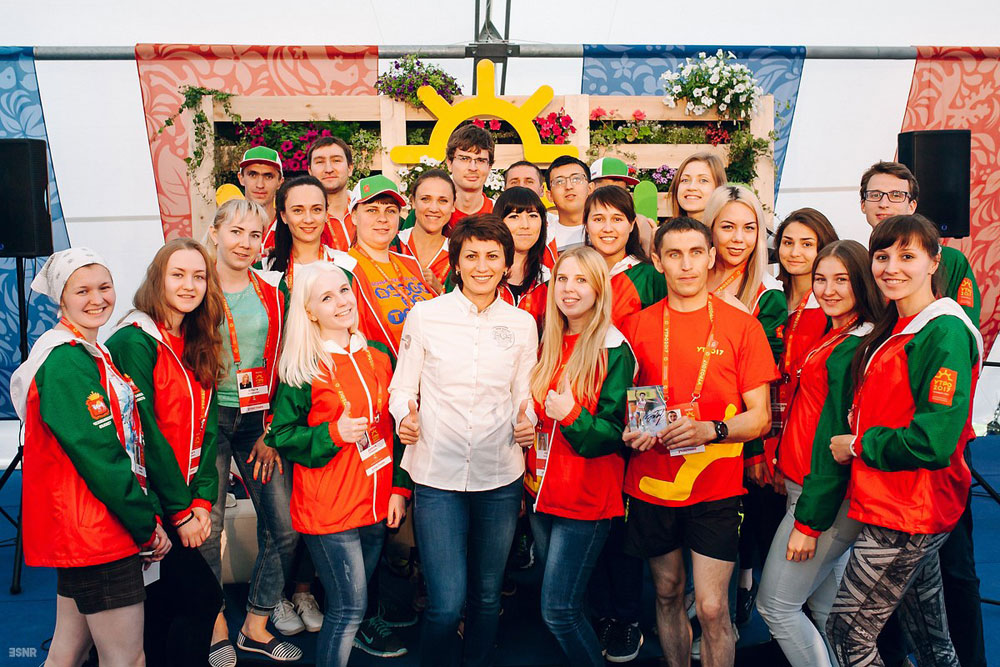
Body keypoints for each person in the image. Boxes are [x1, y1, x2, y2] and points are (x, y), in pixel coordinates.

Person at [827, 214, 982, 667]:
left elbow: (933, 440)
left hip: (909, 507)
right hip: (896, 501)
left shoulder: (944, 330)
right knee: (931, 640)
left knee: (847, 637)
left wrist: (858, 445)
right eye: (882, 256)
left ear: (935, 262)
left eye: (907, 256)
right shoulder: (900, 324)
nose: (891, 267)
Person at [621, 217, 777, 667]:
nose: (686, 265)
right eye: (674, 254)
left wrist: (711, 430)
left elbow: (761, 418)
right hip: (652, 482)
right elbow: (621, 403)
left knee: (711, 608)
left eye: (695, 253)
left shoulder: (742, 326)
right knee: (668, 592)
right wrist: (630, 430)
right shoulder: (634, 326)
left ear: (711, 257)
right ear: (658, 261)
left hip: (716, 488)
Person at [389, 215, 539, 667]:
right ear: (456, 263)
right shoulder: (426, 315)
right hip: (437, 475)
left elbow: (525, 394)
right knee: (446, 603)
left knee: (488, 596)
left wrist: (528, 421)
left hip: (500, 475)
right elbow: (402, 387)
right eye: (471, 256)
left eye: (492, 256)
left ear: (507, 264)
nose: (482, 266)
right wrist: (405, 416)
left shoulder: (522, 323)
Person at [10, 248, 170, 667]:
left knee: (67, 653)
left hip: (87, 527)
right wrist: (145, 522)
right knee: (127, 659)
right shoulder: (66, 361)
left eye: (104, 287)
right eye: (82, 291)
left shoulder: (85, 350)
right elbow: (100, 457)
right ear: (61, 299)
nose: (97, 299)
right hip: (97, 531)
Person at [266, 261, 412, 667]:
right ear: (309, 311)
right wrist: (333, 433)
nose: (341, 302)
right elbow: (282, 435)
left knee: (353, 607)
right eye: (326, 298)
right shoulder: (303, 368)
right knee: (349, 609)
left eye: (344, 291)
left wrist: (399, 488)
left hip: (376, 505)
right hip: (330, 510)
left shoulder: (379, 355)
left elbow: (395, 430)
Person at [756, 240, 884, 666]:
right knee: (828, 611)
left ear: (861, 283)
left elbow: (835, 440)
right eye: (821, 279)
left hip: (822, 501)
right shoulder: (839, 334)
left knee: (776, 608)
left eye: (841, 280)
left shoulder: (854, 345)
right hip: (810, 490)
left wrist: (809, 524)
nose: (828, 290)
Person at [106, 239, 225, 667]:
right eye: (178, 275)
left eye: (199, 276)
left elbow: (208, 426)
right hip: (151, 503)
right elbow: (144, 436)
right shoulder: (134, 341)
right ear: (158, 278)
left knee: (161, 610)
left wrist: (202, 499)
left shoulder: (196, 336)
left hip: (184, 500)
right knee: (201, 599)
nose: (189, 285)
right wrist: (178, 511)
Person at [199, 199, 303, 665]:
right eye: (236, 232)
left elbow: (288, 361)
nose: (245, 243)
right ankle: (214, 623)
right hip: (209, 422)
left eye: (255, 235)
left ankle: (255, 625)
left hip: (259, 422)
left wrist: (274, 428)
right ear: (215, 233)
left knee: (284, 526)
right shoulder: (196, 287)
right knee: (208, 530)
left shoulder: (273, 290)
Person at [524, 246, 636, 666]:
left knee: (558, 611)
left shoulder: (614, 348)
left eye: (581, 280)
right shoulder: (549, 341)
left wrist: (571, 415)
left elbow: (617, 434)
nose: (569, 289)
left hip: (585, 501)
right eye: (562, 279)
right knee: (572, 604)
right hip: (540, 494)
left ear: (599, 289)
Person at [582, 184, 666, 661]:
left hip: (631, 418)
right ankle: (595, 611)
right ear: (586, 225)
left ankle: (627, 617)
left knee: (623, 525)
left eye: (617, 218)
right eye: (598, 218)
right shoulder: (577, 269)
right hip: (582, 412)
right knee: (588, 519)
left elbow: (657, 351)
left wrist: (647, 425)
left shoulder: (647, 276)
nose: (608, 227)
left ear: (632, 225)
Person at [702, 184, 787, 619]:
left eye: (749, 228)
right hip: (688, 428)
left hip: (740, 433)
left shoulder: (767, 294)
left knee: (741, 527)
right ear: (710, 229)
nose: (738, 238)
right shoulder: (686, 276)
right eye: (728, 227)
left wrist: (754, 449)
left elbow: (760, 382)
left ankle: (734, 606)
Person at [770, 208, 838, 492]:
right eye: (788, 242)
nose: (795, 252)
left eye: (807, 244)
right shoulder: (769, 296)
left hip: (804, 441)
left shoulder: (832, 307)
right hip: (763, 430)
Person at [348, 174, 436, 360]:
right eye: (372, 210)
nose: (382, 218)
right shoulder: (344, 269)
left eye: (390, 211)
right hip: (383, 371)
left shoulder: (410, 263)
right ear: (354, 216)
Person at [494, 186, 552, 331]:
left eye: (533, 216)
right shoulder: (482, 273)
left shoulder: (550, 279)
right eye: (514, 217)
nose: (525, 225)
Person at [397, 168, 456, 293]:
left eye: (443, 201)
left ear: (453, 205)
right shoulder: (393, 244)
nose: (434, 208)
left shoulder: (458, 255)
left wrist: (439, 289)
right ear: (413, 202)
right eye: (425, 199)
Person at [589, 157, 657, 252]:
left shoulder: (640, 223)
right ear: (590, 188)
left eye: (621, 191)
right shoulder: (576, 221)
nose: (614, 197)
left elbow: (649, 257)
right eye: (607, 190)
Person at [307, 135, 355, 251]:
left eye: (336, 161)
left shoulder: (368, 211)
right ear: (310, 171)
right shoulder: (304, 219)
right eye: (320, 162)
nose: (328, 169)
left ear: (350, 168)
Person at [237, 146, 284, 253]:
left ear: (280, 182)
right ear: (241, 178)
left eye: (268, 176)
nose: (260, 185)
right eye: (253, 175)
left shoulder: (289, 226)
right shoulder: (227, 225)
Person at [547, 156, 595, 251]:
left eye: (576, 179)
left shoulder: (607, 231)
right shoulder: (544, 239)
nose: (569, 186)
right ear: (550, 195)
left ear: (590, 188)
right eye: (559, 181)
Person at [669, 152, 727, 221]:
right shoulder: (668, 227)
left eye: (703, 180)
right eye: (685, 180)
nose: (691, 187)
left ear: (718, 187)